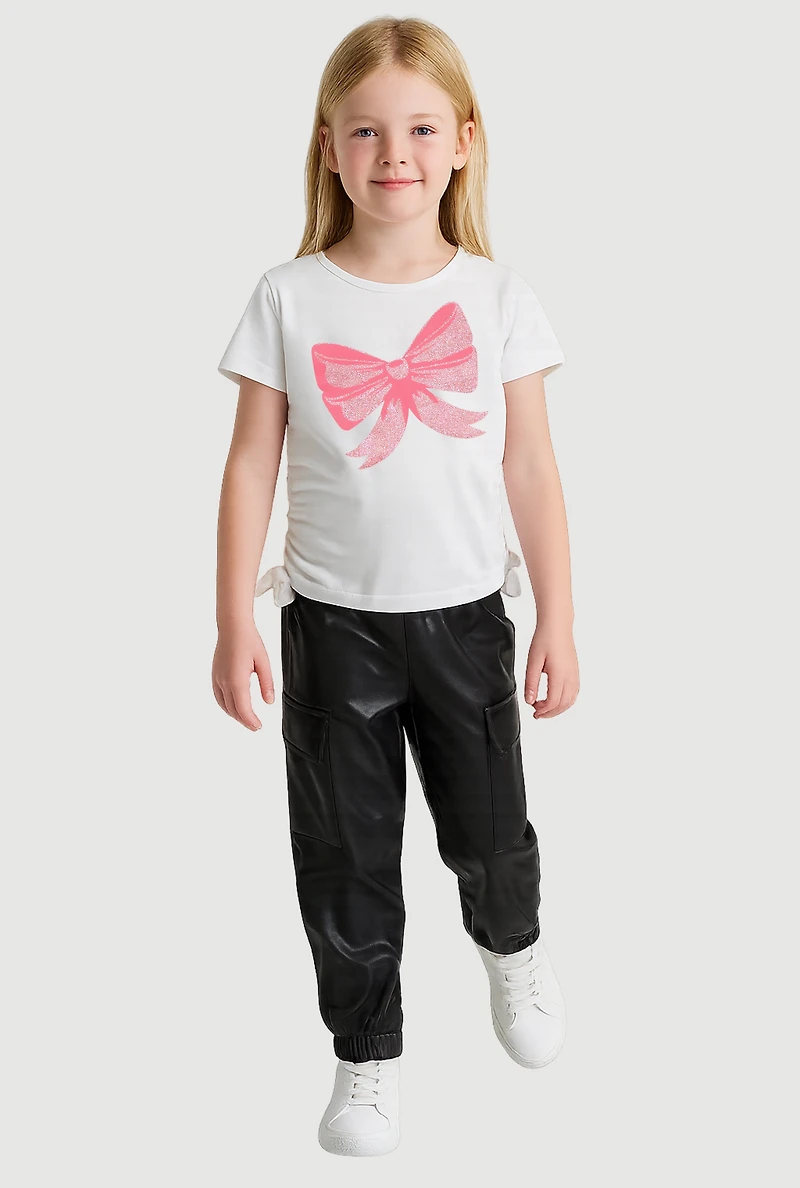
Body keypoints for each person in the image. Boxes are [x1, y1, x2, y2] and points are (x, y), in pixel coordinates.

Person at [212, 15, 579, 1158]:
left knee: (489, 829)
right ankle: (364, 1055)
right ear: (327, 147)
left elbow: (531, 464)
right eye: (364, 130)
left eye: (420, 129)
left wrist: (556, 616)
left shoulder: (497, 296)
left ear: (463, 141)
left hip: (465, 620)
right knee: (344, 855)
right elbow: (249, 464)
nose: (393, 154)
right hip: (331, 631)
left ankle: (511, 950)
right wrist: (230, 621)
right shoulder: (286, 296)